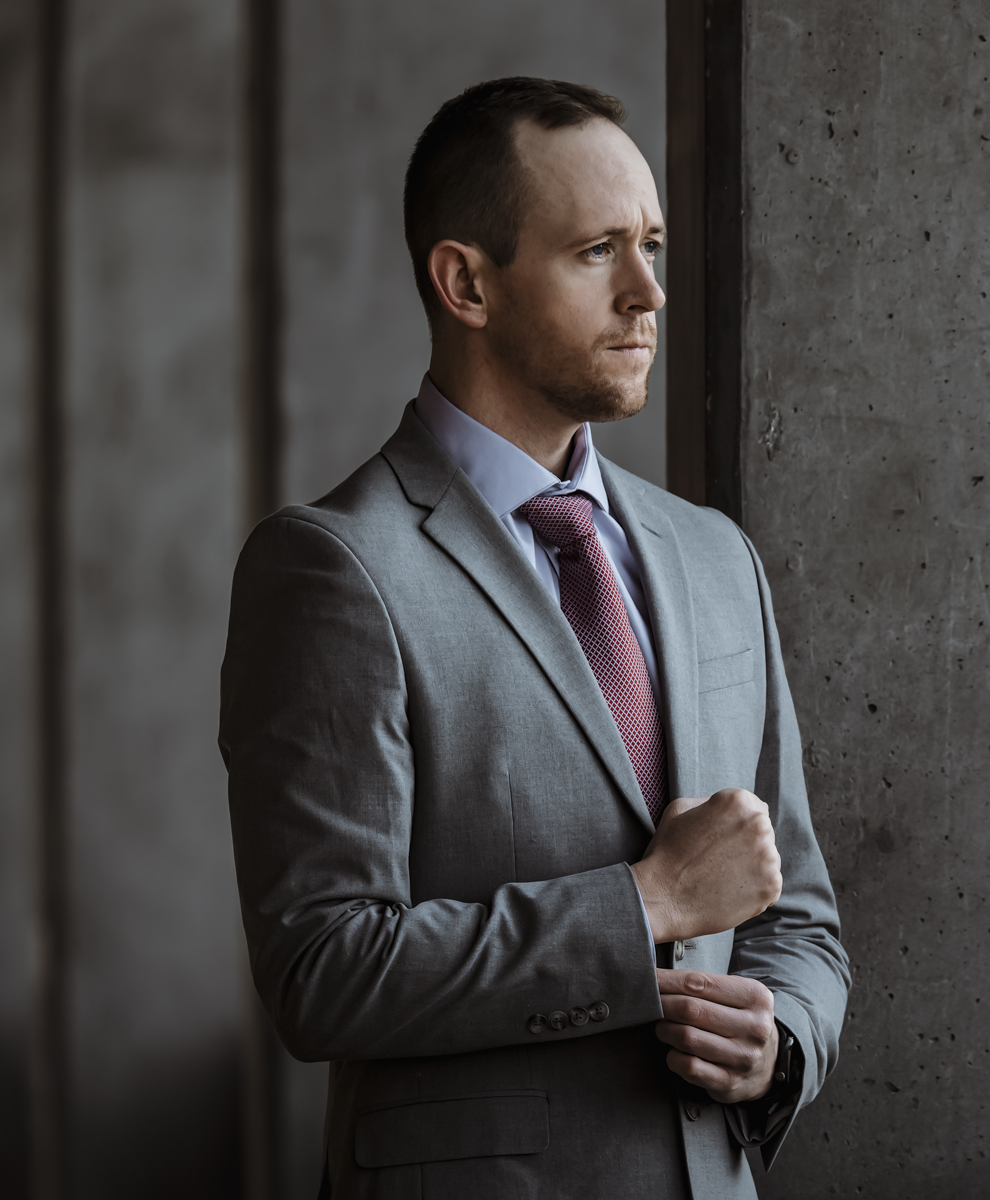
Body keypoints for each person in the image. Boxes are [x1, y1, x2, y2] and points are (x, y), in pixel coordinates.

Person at [220, 77, 849, 1199]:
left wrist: (782, 1039)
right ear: (466, 281)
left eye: (651, 244)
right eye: (598, 251)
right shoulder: (332, 568)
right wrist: (647, 905)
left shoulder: (715, 559)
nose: (650, 291)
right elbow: (323, 972)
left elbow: (793, 909)